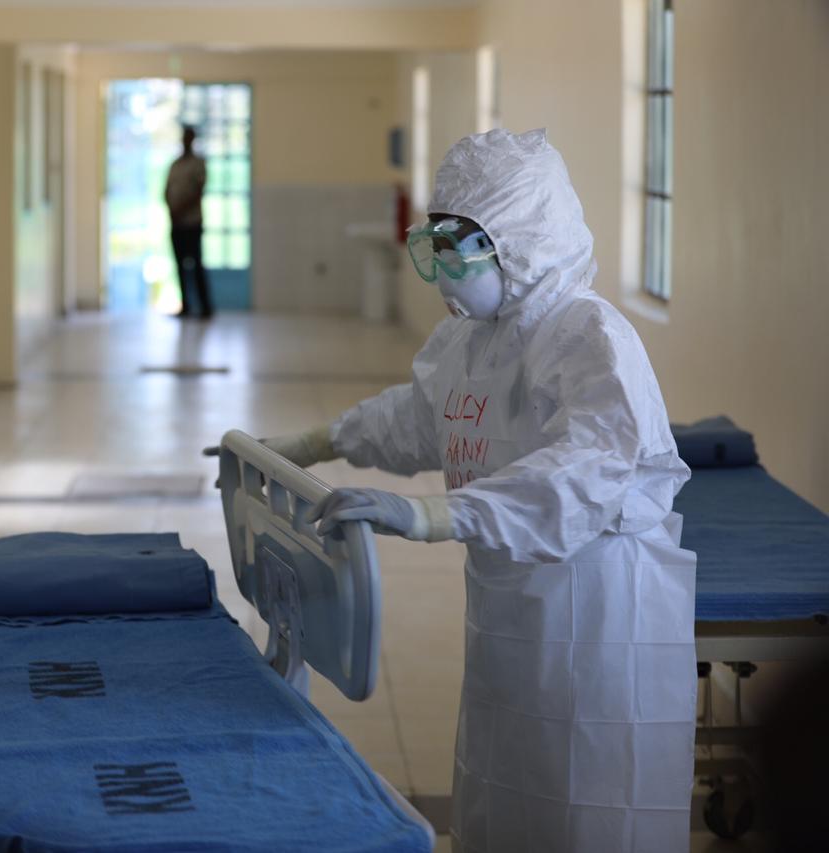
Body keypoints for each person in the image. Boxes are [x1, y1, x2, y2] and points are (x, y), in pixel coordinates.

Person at [261, 129, 698, 852]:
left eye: (459, 251)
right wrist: (320, 440)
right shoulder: (474, 341)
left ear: (522, 240)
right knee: (504, 794)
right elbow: (416, 416)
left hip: (597, 618)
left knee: (588, 809)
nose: (444, 274)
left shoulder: (587, 335)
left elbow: (588, 470)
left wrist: (438, 513)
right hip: (510, 615)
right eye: (434, 248)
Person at [164, 125, 214, 319]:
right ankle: (185, 306)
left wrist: (180, 210)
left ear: (193, 140)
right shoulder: (175, 165)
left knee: (196, 265)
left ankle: (205, 307)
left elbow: (198, 191)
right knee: (179, 266)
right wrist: (171, 210)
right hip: (176, 224)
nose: (185, 141)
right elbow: (166, 190)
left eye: (188, 137)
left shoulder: (198, 164)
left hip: (192, 223)